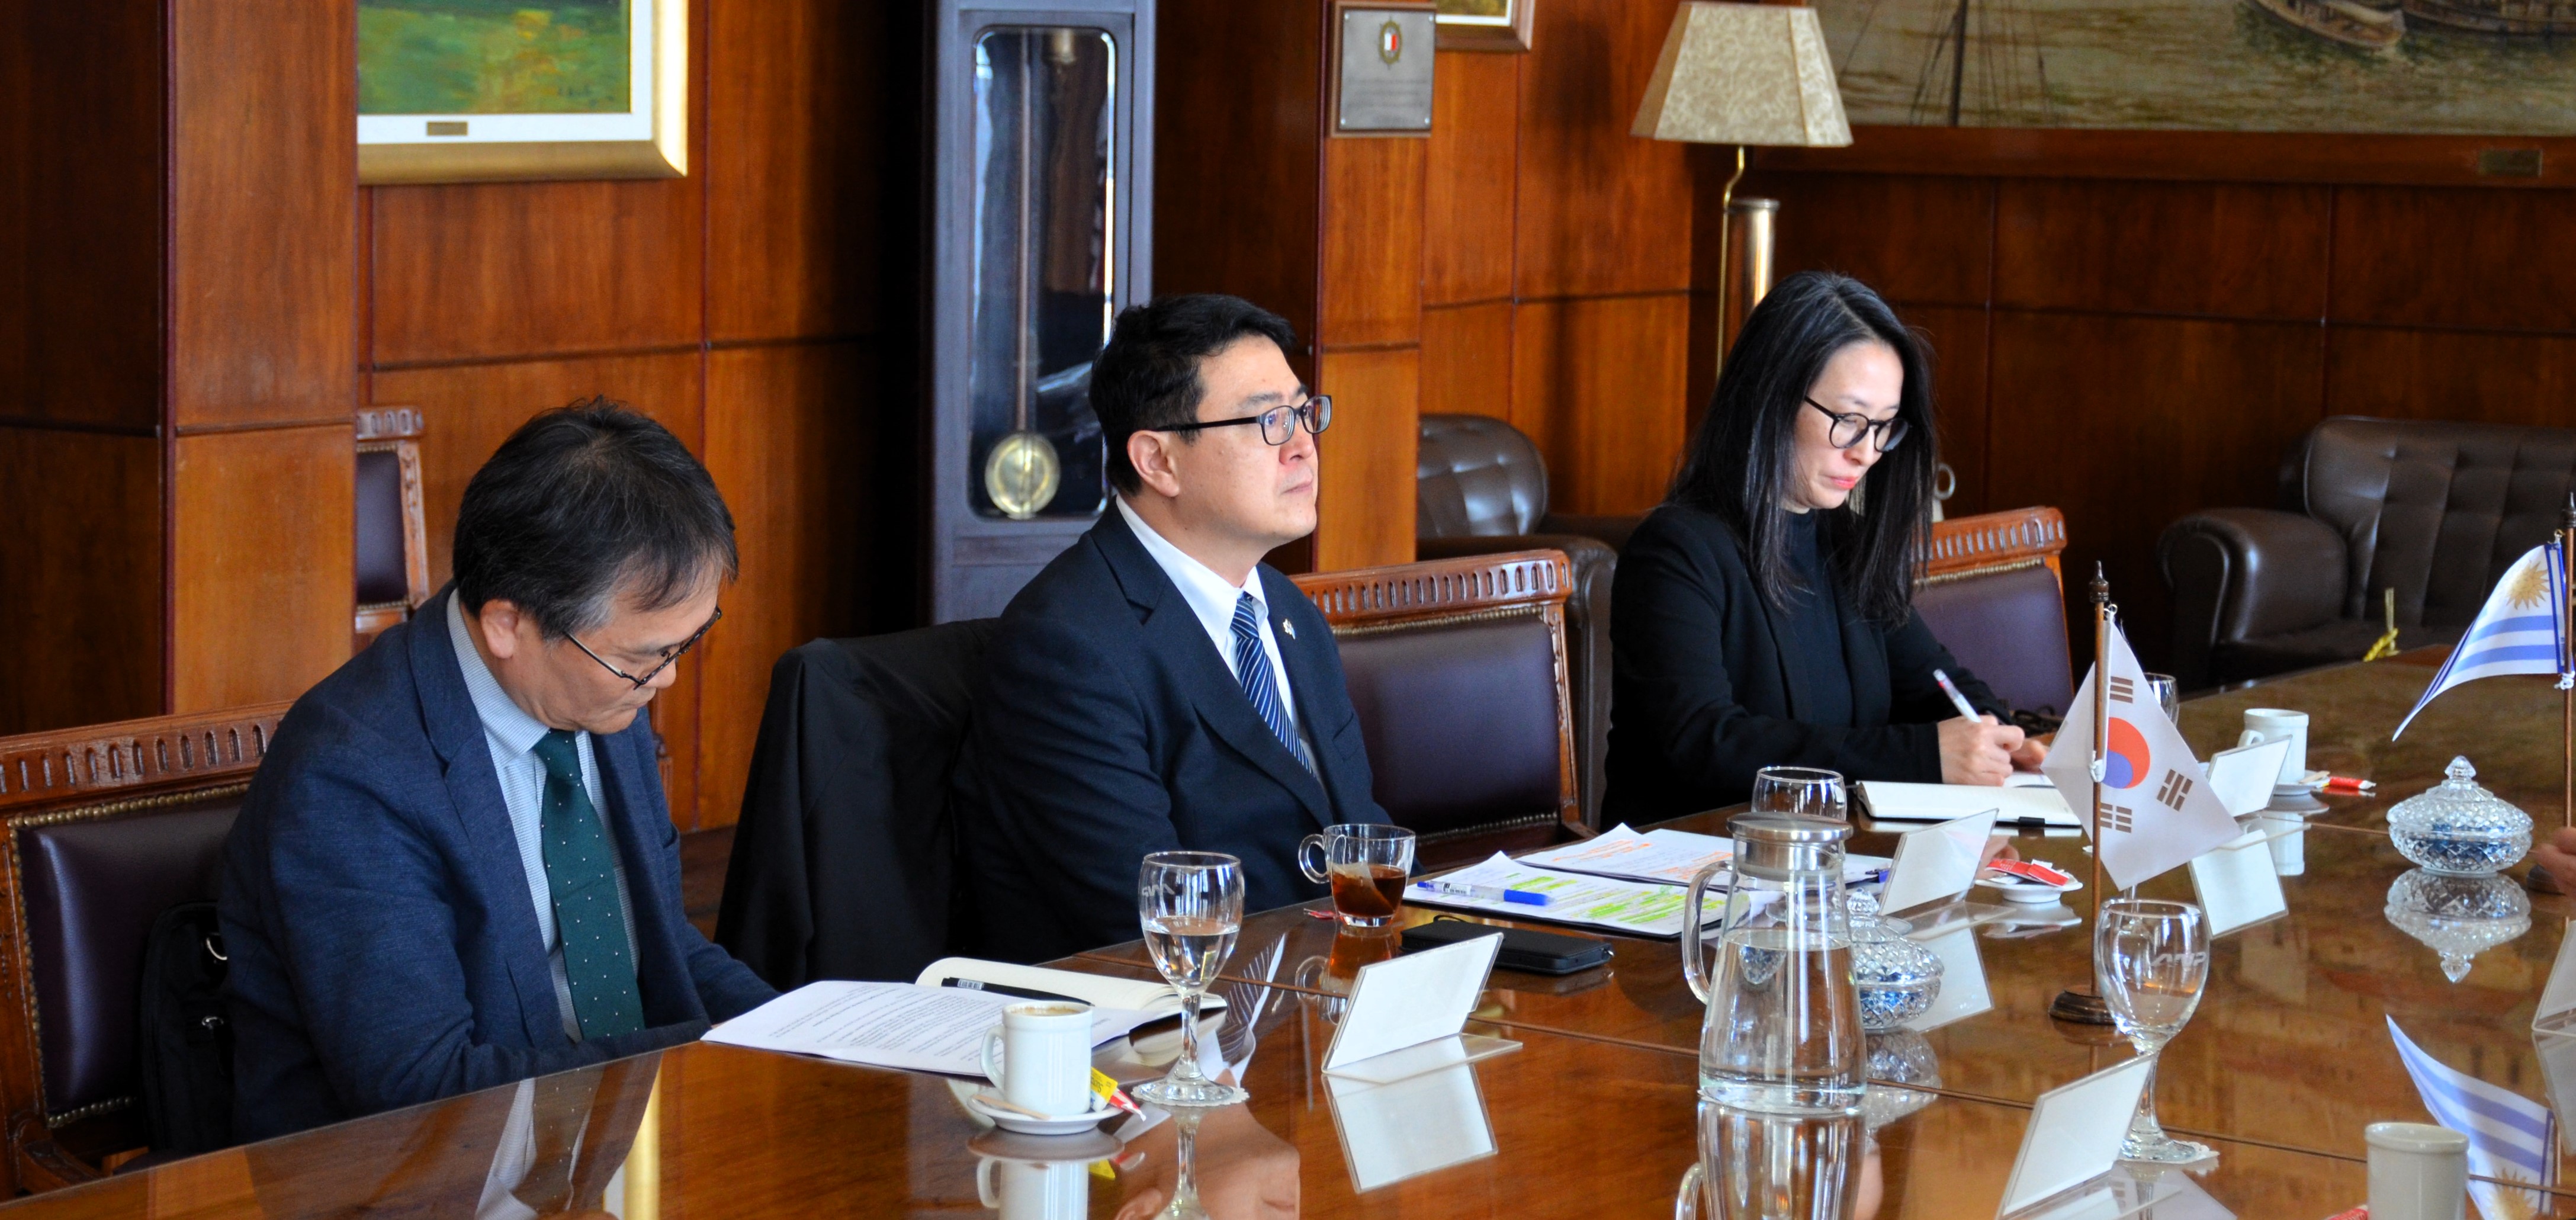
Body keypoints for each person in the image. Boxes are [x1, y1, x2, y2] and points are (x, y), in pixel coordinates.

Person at [221, 399, 776, 1142]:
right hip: (414, 1168)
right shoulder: (351, 776)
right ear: (508, 623)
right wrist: (703, 1058)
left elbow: (659, 945)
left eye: (683, 644)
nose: (666, 679)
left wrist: (801, 1028)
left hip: (606, 1135)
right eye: (644, 656)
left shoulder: (595, 686)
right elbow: (422, 1088)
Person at [956, 293, 1390, 963]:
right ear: (1158, 461)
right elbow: (1154, 922)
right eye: (1269, 421)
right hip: (1174, 1012)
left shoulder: (1287, 608)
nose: (1304, 446)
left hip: (1330, 990)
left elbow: (1362, 838)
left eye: (1304, 412)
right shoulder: (1065, 650)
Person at [1604, 272, 2046, 821]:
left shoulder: (1847, 542)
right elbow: (1705, 743)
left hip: (1832, 852)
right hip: (1698, 855)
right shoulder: (1676, 551)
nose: (1867, 452)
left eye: (1884, 427)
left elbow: (1932, 680)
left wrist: (1994, 733)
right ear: (1771, 397)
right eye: (1850, 421)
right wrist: (1923, 755)